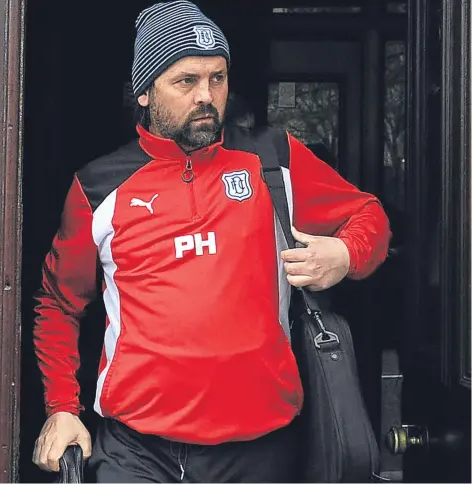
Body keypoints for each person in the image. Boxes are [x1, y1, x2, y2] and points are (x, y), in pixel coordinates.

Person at [31, 1, 391, 482]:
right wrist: (62, 407)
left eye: (217, 78)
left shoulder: (271, 161)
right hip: (137, 451)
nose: (207, 95)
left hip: (259, 449)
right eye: (186, 81)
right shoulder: (98, 188)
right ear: (144, 91)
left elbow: (369, 215)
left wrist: (345, 255)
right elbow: (58, 303)